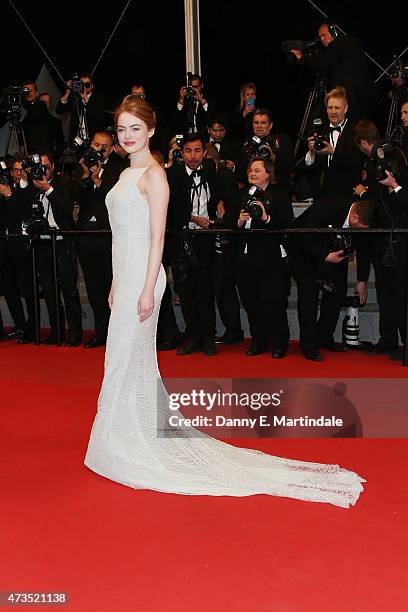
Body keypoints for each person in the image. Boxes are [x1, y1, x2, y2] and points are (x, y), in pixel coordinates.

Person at [84, 97, 364, 508]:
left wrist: (146, 287)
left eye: (135, 129)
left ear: (151, 131)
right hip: (125, 278)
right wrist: (115, 280)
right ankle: (124, 433)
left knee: (129, 358)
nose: (128, 136)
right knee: (122, 360)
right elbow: (120, 234)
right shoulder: (125, 173)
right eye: (122, 129)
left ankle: (128, 439)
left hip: (143, 279)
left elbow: (158, 239)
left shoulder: (155, 176)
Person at [234, 157, 293, 358]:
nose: (252, 173)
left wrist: (267, 218)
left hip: (271, 258)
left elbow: (287, 222)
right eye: (250, 170)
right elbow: (233, 226)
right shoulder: (243, 194)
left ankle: (279, 344)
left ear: (268, 173)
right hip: (246, 257)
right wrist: (239, 223)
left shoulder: (279, 194)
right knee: (252, 303)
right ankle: (258, 342)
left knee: (273, 303)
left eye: (257, 171)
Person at [290, 23, 377, 120]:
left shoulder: (338, 43)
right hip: (363, 96)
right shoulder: (352, 42)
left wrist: (302, 57)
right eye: (320, 37)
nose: (322, 39)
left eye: (324, 35)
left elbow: (321, 64)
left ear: (333, 32)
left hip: (351, 98)